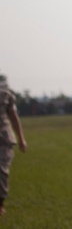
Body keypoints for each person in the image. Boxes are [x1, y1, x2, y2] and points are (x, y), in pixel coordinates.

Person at [0, 85, 26, 217]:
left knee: (1, 171)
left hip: (3, 141)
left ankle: (0, 203)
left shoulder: (5, 96)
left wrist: (21, 139)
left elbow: (14, 118)